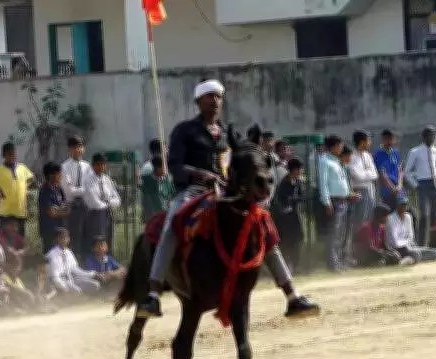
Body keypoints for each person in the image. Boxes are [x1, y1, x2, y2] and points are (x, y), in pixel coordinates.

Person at [137, 79, 318, 319]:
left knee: (263, 226)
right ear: (198, 101)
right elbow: (175, 166)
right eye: (209, 97)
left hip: (226, 193)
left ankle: (292, 295)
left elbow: (242, 160)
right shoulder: (184, 130)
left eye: (218, 97)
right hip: (192, 192)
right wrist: (201, 173)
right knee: (172, 223)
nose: (214, 101)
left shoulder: (228, 134)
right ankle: (153, 294)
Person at [403, 125, 436, 247]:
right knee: (424, 215)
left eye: (433, 136)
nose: (431, 138)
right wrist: (415, 185)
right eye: (429, 136)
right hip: (422, 184)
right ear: (423, 137)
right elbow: (407, 171)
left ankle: (434, 244)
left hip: (435, 184)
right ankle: (421, 244)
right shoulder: (415, 151)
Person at [318, 136, 359, 272]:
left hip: (343, 201)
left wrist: (349, 194)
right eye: (340, 146)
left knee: (340, 234)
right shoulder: (324, 160)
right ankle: (332, 264)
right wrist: (326, 202)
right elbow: (323, 184)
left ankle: (339, 261)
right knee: (333, 234)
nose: (341, 149)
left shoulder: (337, 161)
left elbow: (342, 183)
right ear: (334, 147)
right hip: (334, 202)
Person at [0, 141, 35, 237]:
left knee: (20, 242)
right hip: (6, 214)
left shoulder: (22, 168)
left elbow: (32, 178)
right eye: (9, 154)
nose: (12, 156)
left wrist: (25, 187)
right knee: (6, 242)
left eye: (13, 153)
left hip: (20, 212)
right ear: (4, 155)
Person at [386, 194, 436, 263]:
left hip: (410, 247)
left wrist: (409, 243)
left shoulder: (408, 217)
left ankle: (407, 260)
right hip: (398, 249)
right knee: (416, 254)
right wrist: (407, 243)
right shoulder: (390, 218)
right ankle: (406, 260)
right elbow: (395, 242)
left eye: (405, 204)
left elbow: (411, 236)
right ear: (397, 205)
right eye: (401, 204)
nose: (404, 206)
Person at [272, 157, 306, 273]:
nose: (301, 171)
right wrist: (294, 199)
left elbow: (301, 197)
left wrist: (295, 199)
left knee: (299, 239)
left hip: (295, 215)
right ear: (294, 170)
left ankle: (296, 265)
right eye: (300, 169)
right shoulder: (284, 183)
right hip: (285, 218)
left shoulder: (298, 182)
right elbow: (283, 201)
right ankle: (287, 266)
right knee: (287, 241)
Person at [84, 153, 121, 255]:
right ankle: (94, 263)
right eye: (98, 164)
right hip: (94, 214)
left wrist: (108, 203)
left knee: (108, 238)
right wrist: (108, 203)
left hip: (107, 213)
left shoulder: (107, 179)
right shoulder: (88, 180)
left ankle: (107, 261)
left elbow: (117, 199)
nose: (101, 167)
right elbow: (94, 202)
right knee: (97, 239)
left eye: (103, 164)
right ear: (93, 166)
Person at [61, 136, 92, 259]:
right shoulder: (64, 167)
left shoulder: (88, 166)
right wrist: (85, 190)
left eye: (80, 147)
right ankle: (73, 261)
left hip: (86, 206)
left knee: (87, 235)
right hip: (72, 207)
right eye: (75, 147)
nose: (78, 150)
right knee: (74, 236)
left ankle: (85, 261)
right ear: (69, 150)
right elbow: (70, 191)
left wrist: (84, 191)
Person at [45, 228, 101, 294]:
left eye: (67, 237)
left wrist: (92, 274)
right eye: (62, 237)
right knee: (76, 291)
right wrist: (63, 287)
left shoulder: (69, 252)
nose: (65, 239)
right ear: (56, 239)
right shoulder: (52, 255)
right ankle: (61, 297)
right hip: (59, 281)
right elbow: (55, 277)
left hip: (71, 279)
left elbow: (75, 269)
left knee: (95, 285)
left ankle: (79, 297)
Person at [348, 130, 379, 233]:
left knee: (370, 217)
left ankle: (368, 243)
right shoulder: (352, 157)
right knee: (360, 218)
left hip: (370, 189)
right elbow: (357, 176)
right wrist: (368, 173)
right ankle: (357, 243)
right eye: (368, 140)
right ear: (362, 142)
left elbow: (375, 174)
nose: (370, 143)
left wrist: (365, 173)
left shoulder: (368, 155)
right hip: (359, 190)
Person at [38, 161, 70, 254]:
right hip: (49, 230)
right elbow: (51, 212)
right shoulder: (44, 191)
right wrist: (62, 211)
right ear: (51, 175)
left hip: (61, 228)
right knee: (51, 254)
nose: (61, 175)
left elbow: (66, 207)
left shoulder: (59, 189)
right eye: (58, 173)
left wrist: (59, 210)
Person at [373, 129, 404, 210]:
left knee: (402, 211)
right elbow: (382, 173)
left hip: (399, 189)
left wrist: (400, 186)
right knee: (389, 213)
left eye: (391, 139)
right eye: (387, 139)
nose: (390, 141)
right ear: (383, 139)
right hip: (387, 190)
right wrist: (392, 188)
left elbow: (400, 170)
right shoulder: (378, 154)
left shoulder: (396, 152)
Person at [140, 156, 175, 223]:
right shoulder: (150, 181)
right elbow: (143, 185)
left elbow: (172, 193)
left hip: (167, 216)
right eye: (164, 167)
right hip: (156, 217)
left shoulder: (167, 179)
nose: (166, 169)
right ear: (157, 168)